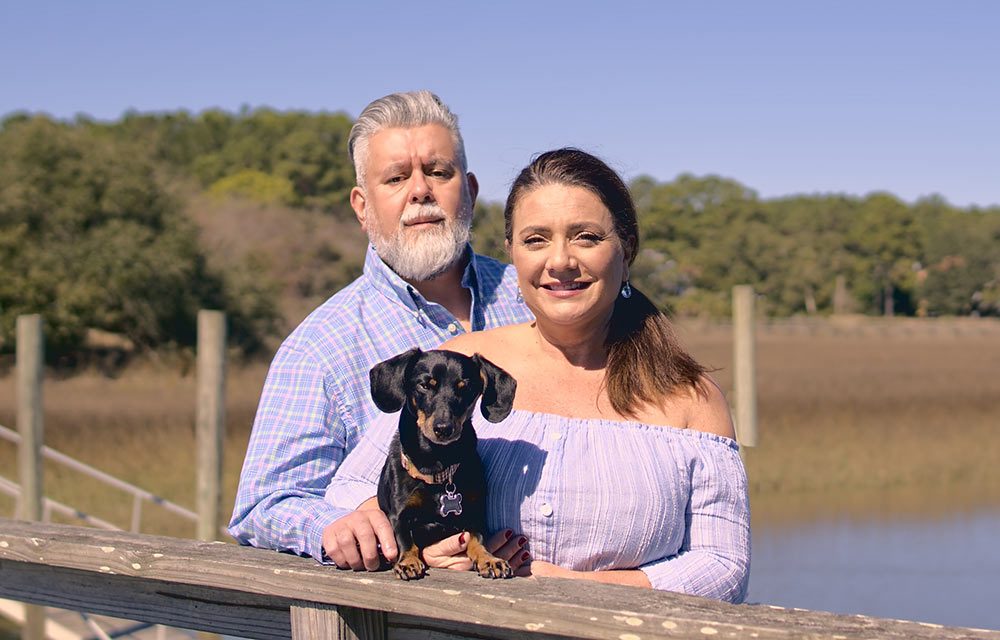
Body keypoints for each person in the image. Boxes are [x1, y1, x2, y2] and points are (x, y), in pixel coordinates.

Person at [325, 148, 751, 603]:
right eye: (536, 240)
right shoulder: (463, 361)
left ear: (625, 251)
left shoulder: (689, 397)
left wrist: (569, 588)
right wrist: (423, 551)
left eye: (585, 236)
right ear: (511, 254)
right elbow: (350, 496)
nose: (560, 260)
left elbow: (723, 567)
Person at [228, 91, 534, 568]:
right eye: (396, 178)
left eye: (438, 171)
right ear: (362, 205)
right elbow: (263, 507)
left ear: (470, 191)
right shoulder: (318, 348)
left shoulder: (535, 299)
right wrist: (339, 527)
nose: (420, 191)